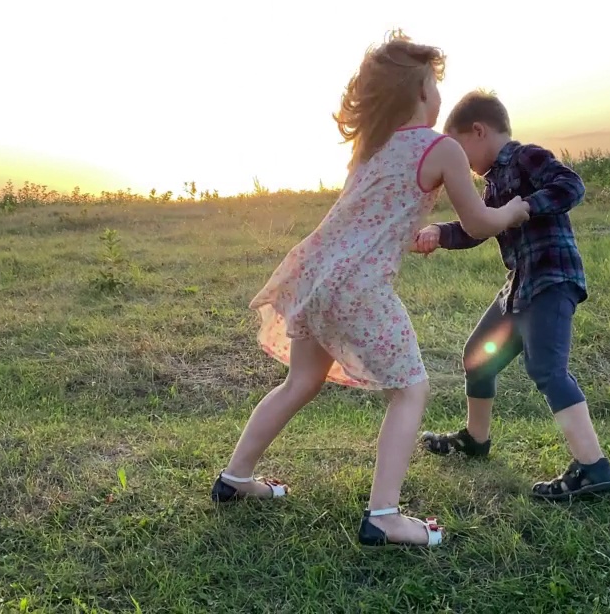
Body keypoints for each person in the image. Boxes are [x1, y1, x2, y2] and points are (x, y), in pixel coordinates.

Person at [211, 34, 531, 547]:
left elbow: (373, 216)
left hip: (315, 276)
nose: (438, 94)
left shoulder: (371, 147)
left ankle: (235, 478)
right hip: (359, 288)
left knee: (299, 383)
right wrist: (513, 210)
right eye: (434, 84)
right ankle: (383, 516)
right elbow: (479, 221)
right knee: (410, 390)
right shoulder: (441, 147)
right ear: (421, 93)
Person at [412, 89, 610, 500]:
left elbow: (570, 186)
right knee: (477, 357)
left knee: (547, 369)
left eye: (460, 149)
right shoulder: (490, 184)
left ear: (478, 131)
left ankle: (593, 468)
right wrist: (440, 232)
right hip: (520, 286)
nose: (461, 162)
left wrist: (526, 205)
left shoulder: (526, 157)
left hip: (551, 280)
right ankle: (476, 438)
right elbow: (481, 226)